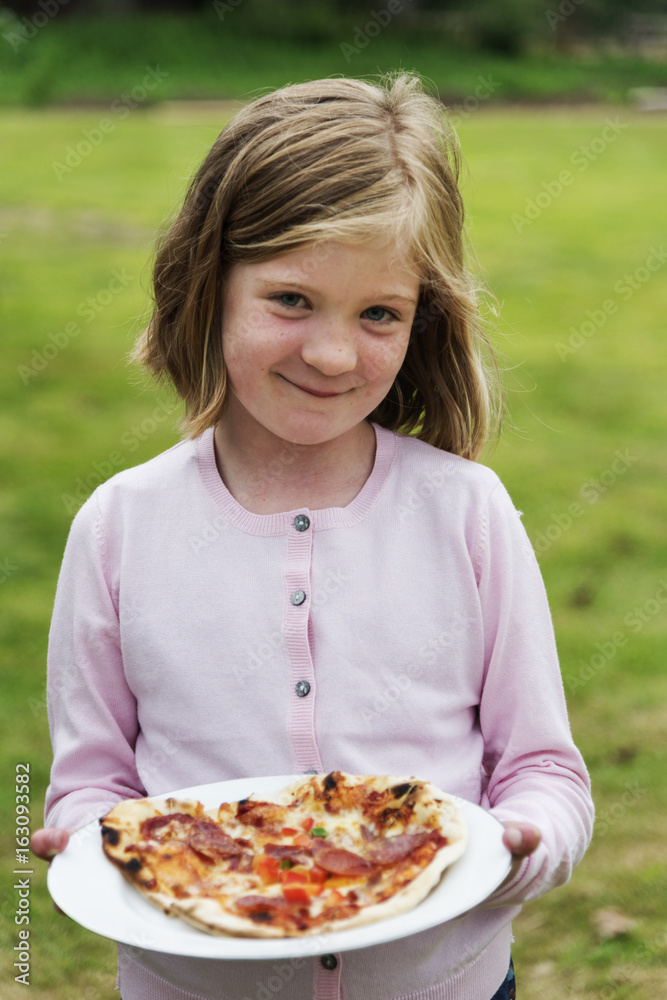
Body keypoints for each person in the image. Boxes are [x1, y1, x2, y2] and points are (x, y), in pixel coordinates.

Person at [32, 73, 594, 1000]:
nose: (333, 355)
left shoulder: (467, 512)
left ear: (423, 321)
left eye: (379, 314)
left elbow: (542, 770)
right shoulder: (119, 528)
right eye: (291, 300)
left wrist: (522, 842)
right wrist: (83, 845)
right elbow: (92, 785)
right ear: (206, 285)